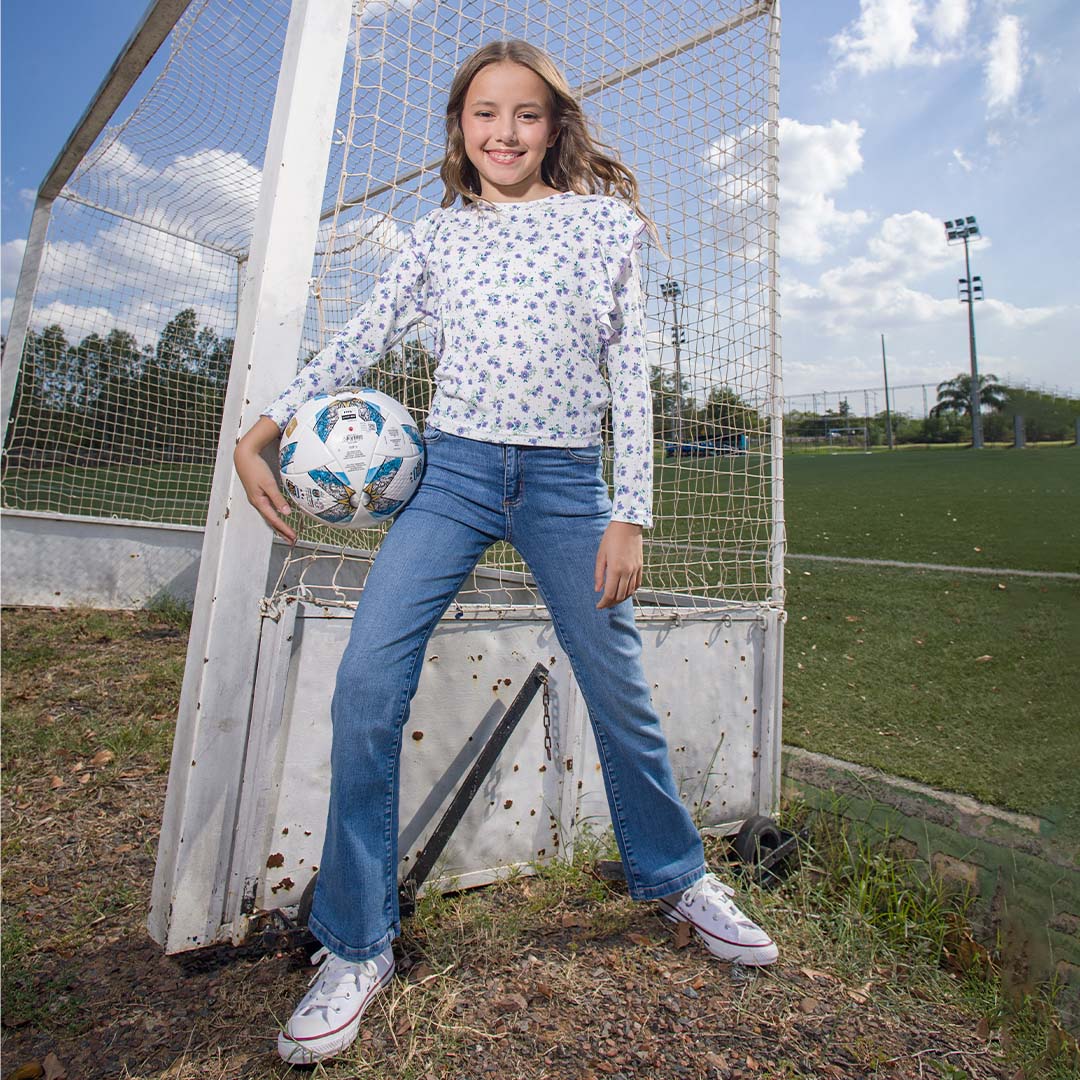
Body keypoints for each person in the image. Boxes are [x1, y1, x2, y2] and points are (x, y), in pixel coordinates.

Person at [234, 38, 778, 1067]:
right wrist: (262, 427)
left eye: (525, 114)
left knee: (619, 689)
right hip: (453, 474)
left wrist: (632, 511)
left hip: (572, 483)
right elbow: (358, 337)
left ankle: (678, 876)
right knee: (365, 685)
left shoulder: (604, 224)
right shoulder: (437, 238)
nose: (505, 132)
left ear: (554, 125)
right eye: (485, 113)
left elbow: (632, 373)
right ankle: (354, 944)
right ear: (460, 128)